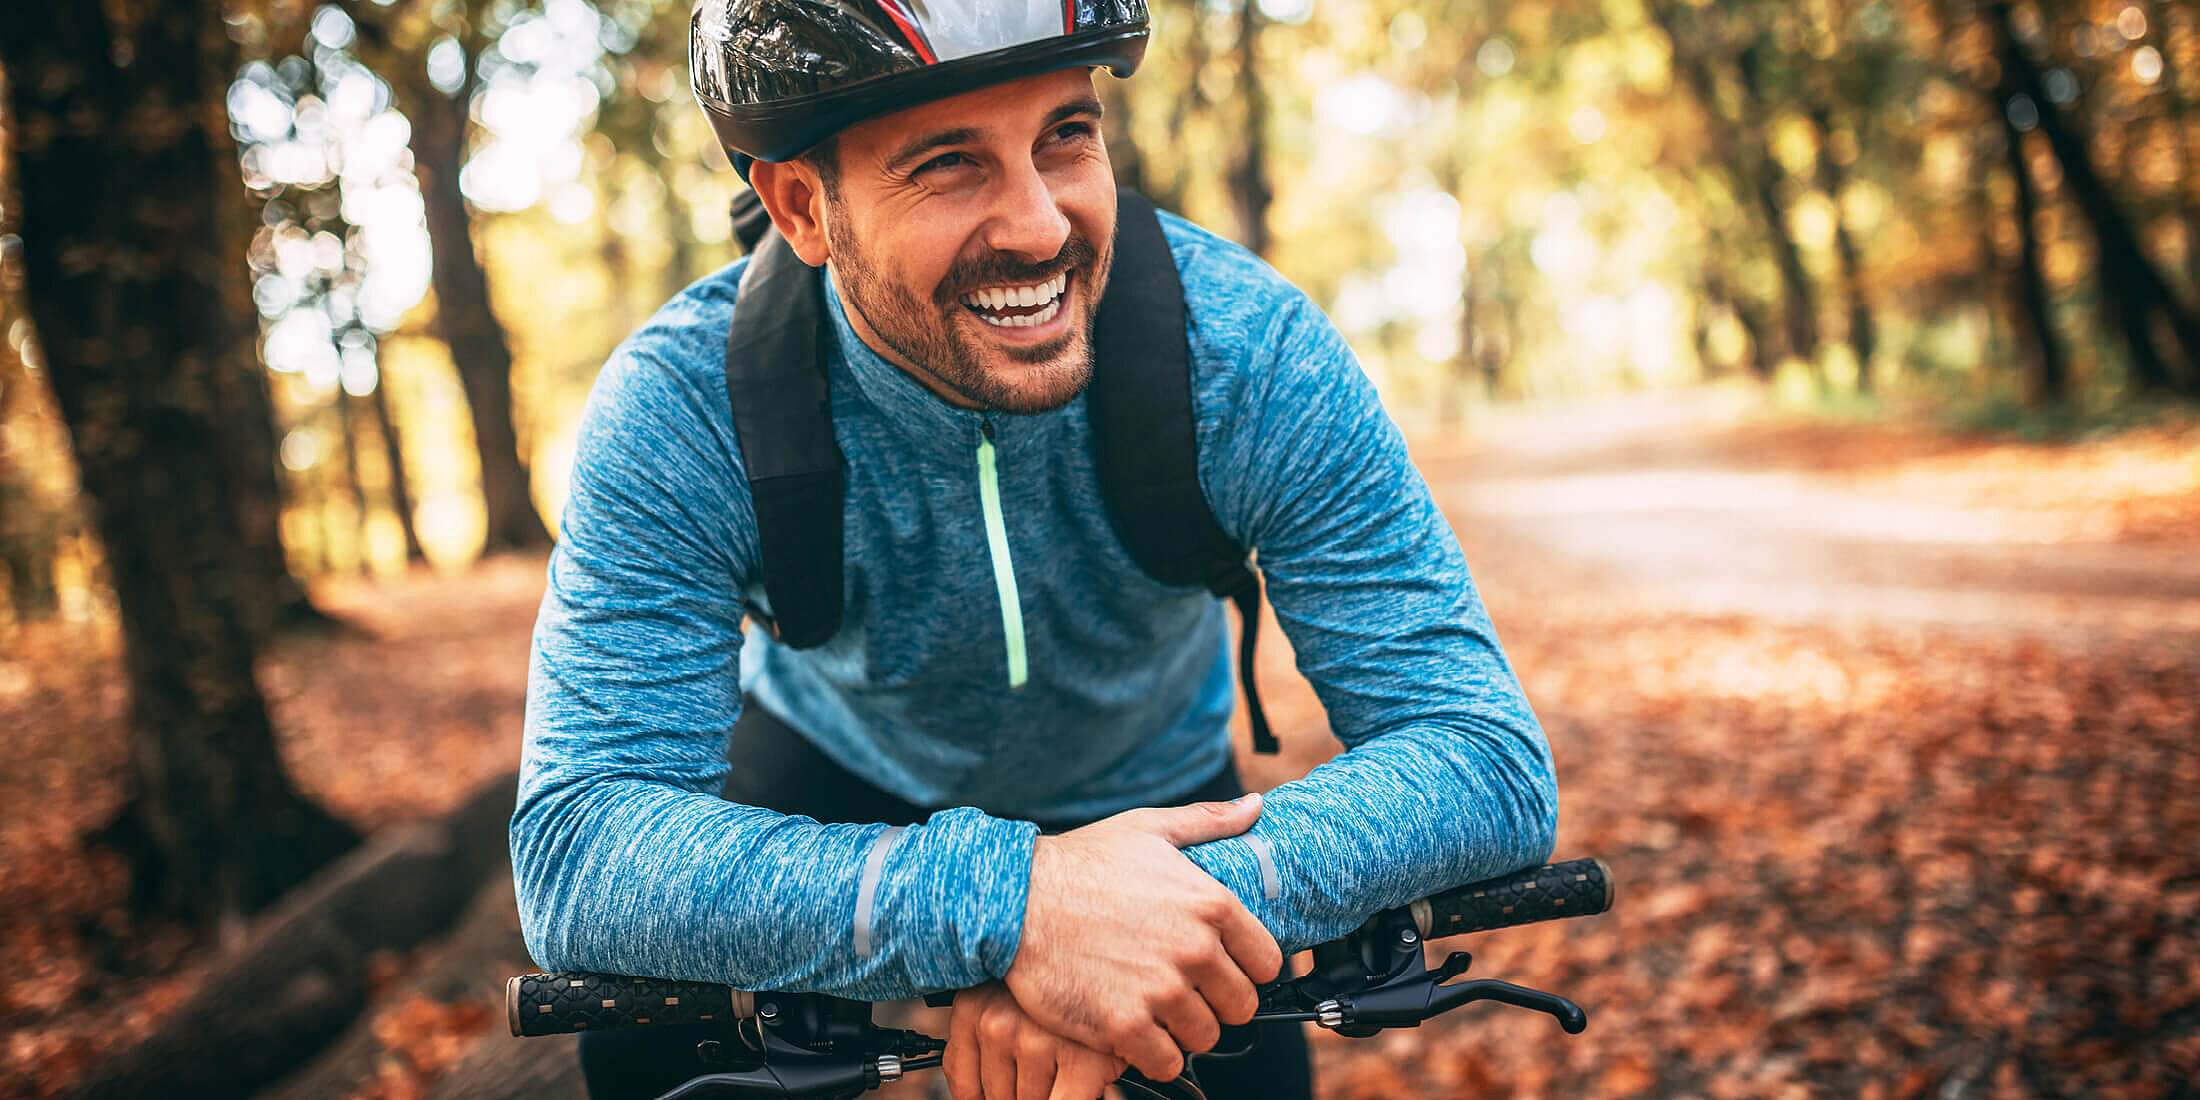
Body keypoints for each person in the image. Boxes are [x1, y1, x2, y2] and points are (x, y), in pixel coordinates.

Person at [510, 2, 1558, 1098]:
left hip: (1161, 791)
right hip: (836, 769)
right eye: (948, 163)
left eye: (1065, 134)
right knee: (639, 1053)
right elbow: (585, 848)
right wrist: (1017, 907)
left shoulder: (1247, 353)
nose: (1041, 226)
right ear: (801, 206)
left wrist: (1150, 908)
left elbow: (1481, 752)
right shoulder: (683, 406)